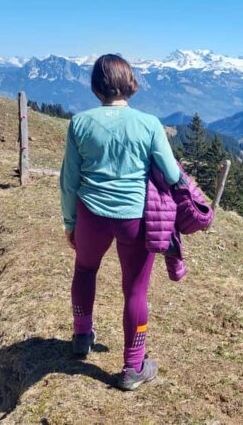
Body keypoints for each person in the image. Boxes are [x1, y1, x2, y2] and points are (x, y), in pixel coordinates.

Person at [59, 54, 182, 390]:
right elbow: (172, 175)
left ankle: (82, 335)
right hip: (135, 218)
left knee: (85, 270)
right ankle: (132, 366)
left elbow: (69, 180)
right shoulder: (149, 124)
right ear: (131, 85)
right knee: (135, 290)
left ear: (96, 87)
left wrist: (70, 223)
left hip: (91, 215)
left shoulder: (80, 123)